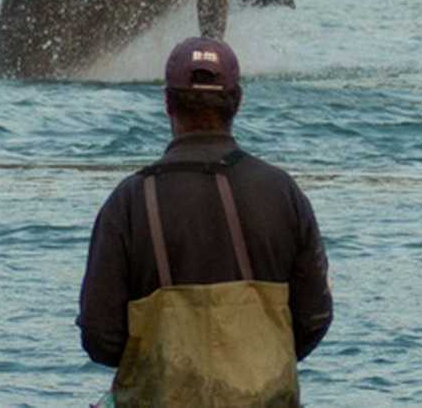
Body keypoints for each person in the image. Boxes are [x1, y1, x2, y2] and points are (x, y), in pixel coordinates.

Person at [77, 38, 332, 406]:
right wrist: (254, 361)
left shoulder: (130, 201)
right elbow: (314, 318)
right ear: (238, 102)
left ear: (167, 103)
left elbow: (100, 337)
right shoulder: (282, 192)